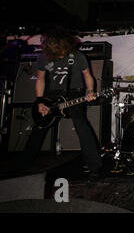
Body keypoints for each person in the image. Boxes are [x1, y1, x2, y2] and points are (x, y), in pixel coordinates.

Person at [18, 27, 103, 180]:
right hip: (51, 95)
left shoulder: (78, 56)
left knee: (81, 124)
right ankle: (24, 165)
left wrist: (90, 91)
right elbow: (41, 79)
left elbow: (88, 75)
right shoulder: (44, 58)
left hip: (74, 93)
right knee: (40, 126)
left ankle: (94, 167)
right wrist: (40, 101)